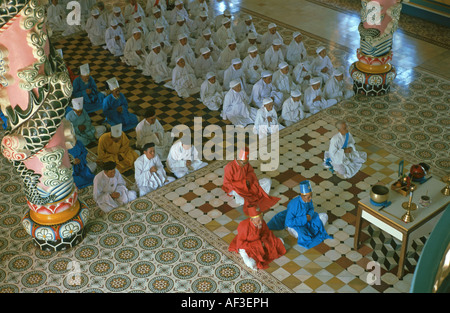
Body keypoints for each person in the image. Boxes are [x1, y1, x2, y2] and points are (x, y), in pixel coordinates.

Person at [267, 180, 332, 249]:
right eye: (308, 197)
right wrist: (304, 218)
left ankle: (310, 229)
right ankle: (307, 231)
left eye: (311, 196)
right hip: (296, 225)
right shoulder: (294, 205)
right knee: (304, 236)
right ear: (302, 196)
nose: (311, 198)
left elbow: (311, 209)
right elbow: (289, 222)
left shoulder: (308, 200)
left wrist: (309, 215)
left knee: (324, 216)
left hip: (308, 220)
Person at [222, 147, 280, 216]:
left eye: (246, 162)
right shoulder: (229, 167)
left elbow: (251, 173)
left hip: (249, 185)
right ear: (239, 160)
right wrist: (243, 184)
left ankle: (258, 196)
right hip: (237, 188)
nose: (245, 164)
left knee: (268, 181)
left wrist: (248, 181)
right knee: (242, 201)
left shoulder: (246, 163)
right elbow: (227, 183)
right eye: (244, 163)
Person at [228, 206, 286, 271]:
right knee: (251, 263)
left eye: (261, 219)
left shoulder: (262, 222)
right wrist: (257, 245)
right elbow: (240, 244)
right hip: (248, 247)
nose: (261, 222)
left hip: (260, 242)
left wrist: (263, 241)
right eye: (258, 221)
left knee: (280, 241)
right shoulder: (244, 226)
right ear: (251, 220)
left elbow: (266, 232)